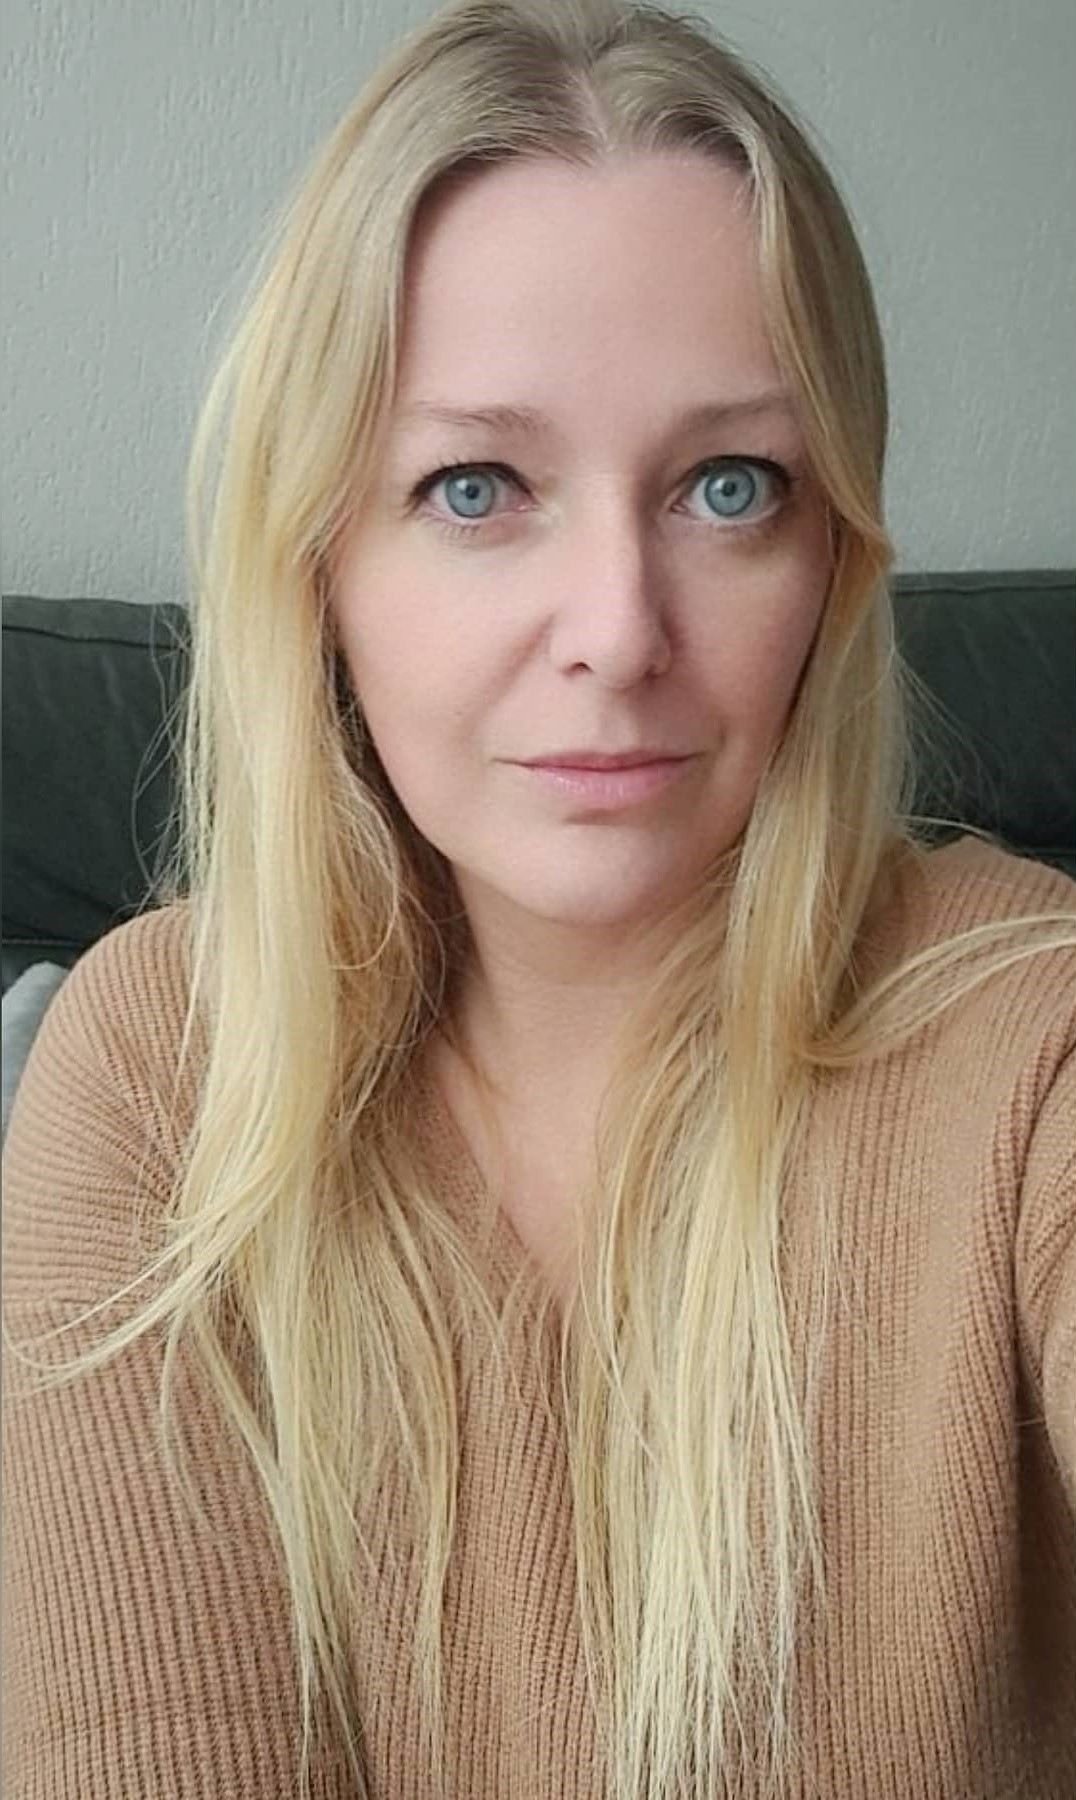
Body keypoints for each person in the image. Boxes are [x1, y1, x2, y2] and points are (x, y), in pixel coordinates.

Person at [3, 1, 1074, 1796]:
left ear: (832, 554)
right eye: (476, 487)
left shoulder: (1031, 1043)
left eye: (730, 488)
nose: (621, 632)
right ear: (320, 558)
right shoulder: (161, 1064)